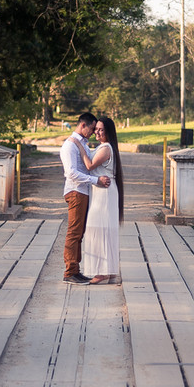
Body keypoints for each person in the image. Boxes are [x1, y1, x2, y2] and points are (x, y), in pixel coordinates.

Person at [60, 112, 110, 285]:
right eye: (91, 128)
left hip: (83, 192)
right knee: (74, 232)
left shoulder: (82, 144)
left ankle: (75, 270)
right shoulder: (70, 145)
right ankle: (70, 272)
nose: (93, 132)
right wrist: (96, 180)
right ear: (83, 125)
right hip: (76, 191)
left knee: (79, 233)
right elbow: (71, 173)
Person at [79, 117, 123, 284]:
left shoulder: (106, 148)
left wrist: (79, 144)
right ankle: (109, 270)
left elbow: (89, 166)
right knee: (103, 229)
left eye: (101, 129)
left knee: (98, 229)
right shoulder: (103, 147)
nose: (96, 131)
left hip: (104, 193)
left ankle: (102, 271)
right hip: (101, 191)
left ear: (108, 132)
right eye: (96, 128)